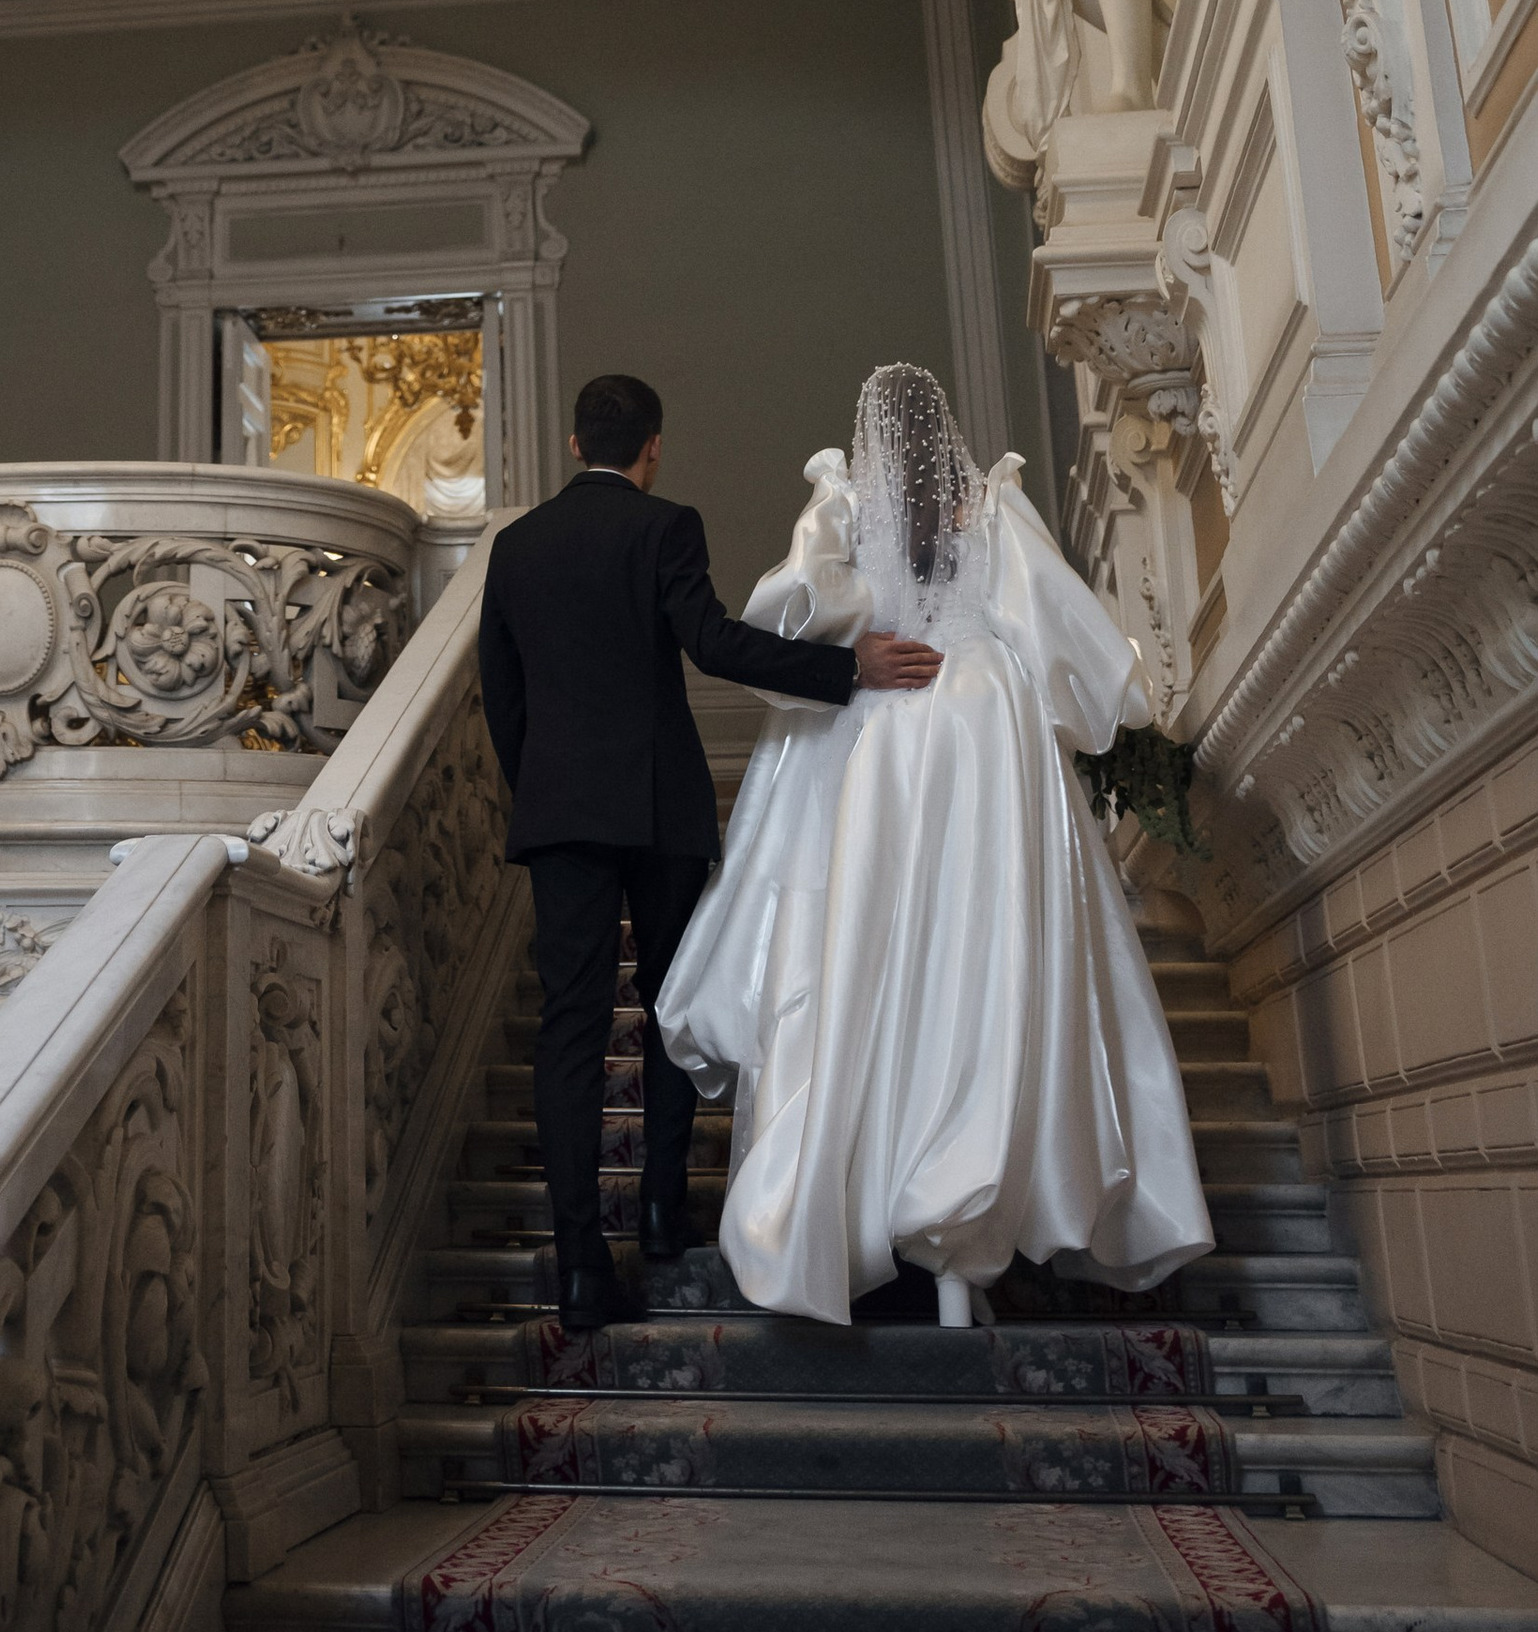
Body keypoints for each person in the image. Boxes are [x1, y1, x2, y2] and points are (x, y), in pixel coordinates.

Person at [657, 362, 1212, 1326]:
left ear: (871, 440)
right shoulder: (992, 504)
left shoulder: (841, 502)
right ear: (945, 433)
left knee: (875, 963)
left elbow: (787, 609)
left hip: (888, 730)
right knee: (987, 961)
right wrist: (1107, 700)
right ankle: (970, 1227)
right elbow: (1063, 630)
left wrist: (850, 650)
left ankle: (865, 1208)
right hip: (984, 727)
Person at [477, 371, 942, 1324]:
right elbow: (715, 643)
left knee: (570, 1031)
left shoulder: (515, 546)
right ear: (652, 447)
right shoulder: (664, 526)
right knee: (671, 1006)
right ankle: (657, 1209)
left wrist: (543, 792)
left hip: (563, 814)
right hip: (658, 807)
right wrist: (845, 668)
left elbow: (503, 688)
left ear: (574, 445)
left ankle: (579, 1268)